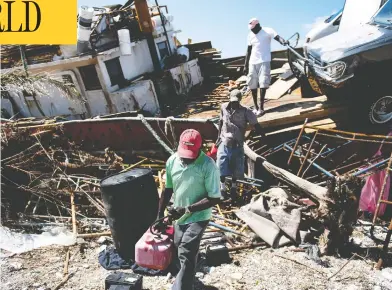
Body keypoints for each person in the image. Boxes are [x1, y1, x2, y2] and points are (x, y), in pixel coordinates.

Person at [158, 129, 221, 290]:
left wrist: (187, 208)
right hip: (180, 216)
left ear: (199, 149)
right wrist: (159, 215)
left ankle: (181, 287)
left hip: (199, 216)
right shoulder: (172, 161)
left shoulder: (208, 166)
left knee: (186, 251)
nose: (186, 159)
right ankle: (188, 278)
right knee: (179, 247)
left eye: (190, 155)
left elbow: (214, 198)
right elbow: (168, 190)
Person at [216, 89, 264, 200]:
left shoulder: (246, 111)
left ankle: (233, 188)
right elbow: (221, 122)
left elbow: (255, 124)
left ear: (240, 100)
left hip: (237, 144)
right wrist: (218, 137)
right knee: (221, 166)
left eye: (236, 102)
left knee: (235, 169)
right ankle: (223, 189)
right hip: (225, 142)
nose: (234, 104)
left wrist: (263, 135)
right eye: (232, 101)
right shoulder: (223, 107)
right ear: (229, 99)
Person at [244, 18, 289, 116]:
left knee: (263, 83)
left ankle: (261, 107)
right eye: (251, 29)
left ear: (258, 25)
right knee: (252, 84)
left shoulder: (268, 30)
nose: (252, 30)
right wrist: (245, 65)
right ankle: (255, 107)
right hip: (252, 62)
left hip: (264, 61)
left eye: (253, 28)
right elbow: (248, 51)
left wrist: (283, 41)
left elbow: (278, 37)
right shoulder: (250, 35)